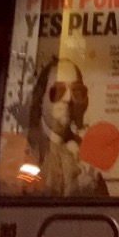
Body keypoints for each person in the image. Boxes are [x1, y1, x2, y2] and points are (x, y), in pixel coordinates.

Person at [24, 57, 109, 197]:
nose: (69, 98)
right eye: (58, 90)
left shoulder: (86, 151)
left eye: (76, 91)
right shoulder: (25, 145)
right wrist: (76, 191)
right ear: (41, 98)